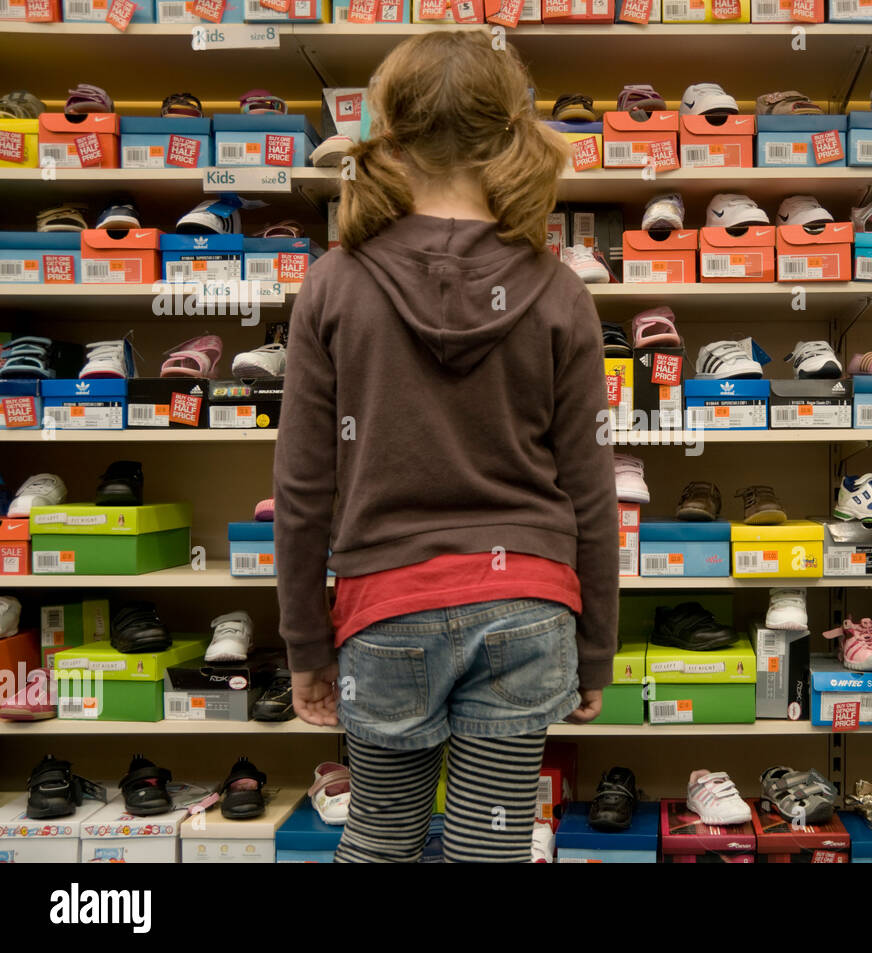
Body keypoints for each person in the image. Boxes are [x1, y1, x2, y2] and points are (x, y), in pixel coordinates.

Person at [273, 31, 618, 863]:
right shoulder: (558, 289)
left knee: (380, 835)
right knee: (488, 845)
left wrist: (305, 645)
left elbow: (300, 487)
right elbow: (591, 488)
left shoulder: (336, 281)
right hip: (531, 609)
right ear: (508, 131)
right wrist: (597, 646)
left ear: (387, 126)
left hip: (386, 609)